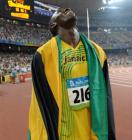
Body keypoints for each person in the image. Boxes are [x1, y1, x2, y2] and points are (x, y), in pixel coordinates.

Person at [28, 8, 116, 140]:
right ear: (53, 25)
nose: (64, 10)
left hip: (91, 133)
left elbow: (106, 99)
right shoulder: (43, 56)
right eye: (58, 12)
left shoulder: (98, 53)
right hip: (65, 133)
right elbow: (39, 106)